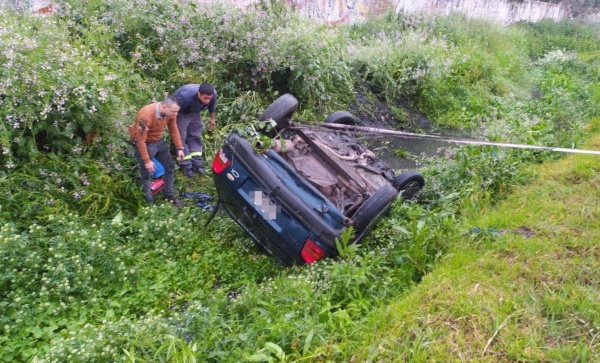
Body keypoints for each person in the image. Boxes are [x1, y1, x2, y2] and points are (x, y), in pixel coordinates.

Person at [129, 95, 185, 206]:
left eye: (177, 112)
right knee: (146, 174)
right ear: (164, 107)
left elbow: (173, 129)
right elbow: (140, 140)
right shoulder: (145, 115)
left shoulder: (170, 113)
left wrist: (179, 148)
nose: (176, 115)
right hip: (145, 143)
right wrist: (147, 161)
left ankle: (169, 195)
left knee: (170, 167)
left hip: (158, 141)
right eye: (174, 112)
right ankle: (149, 204)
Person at [174, 82, 217, 177]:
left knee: (195, 134)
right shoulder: (186, 97)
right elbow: (174, 110)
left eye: (209, 98)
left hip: (195, 111)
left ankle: (197, 163)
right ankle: (185, 165)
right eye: (205, 98)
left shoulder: (213, 95)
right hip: (182, 111)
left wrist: (212, 120)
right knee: (181, 137)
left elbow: (212, 107)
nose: (207, 101)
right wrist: (174, 126)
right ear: (199, 94)